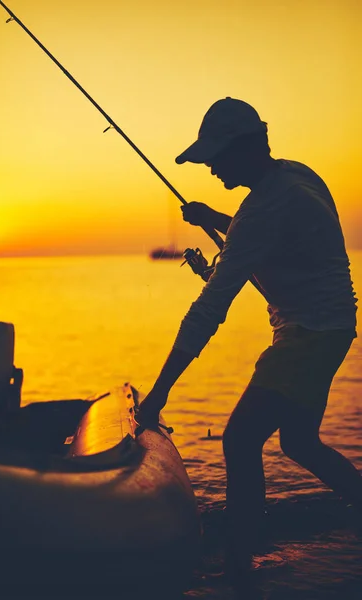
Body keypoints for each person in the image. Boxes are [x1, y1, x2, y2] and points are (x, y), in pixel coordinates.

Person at [135, 97, 361, 586]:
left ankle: (239, 569)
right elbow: (268, 234)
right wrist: (214, 217)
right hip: (332, 326)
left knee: (239, 439)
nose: (211, 166)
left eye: (215, 156)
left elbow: (209, 310)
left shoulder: (262, 209)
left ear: (243, 148)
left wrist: (159, 393)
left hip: (310, 334)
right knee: (299, 442)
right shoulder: (295, 175)